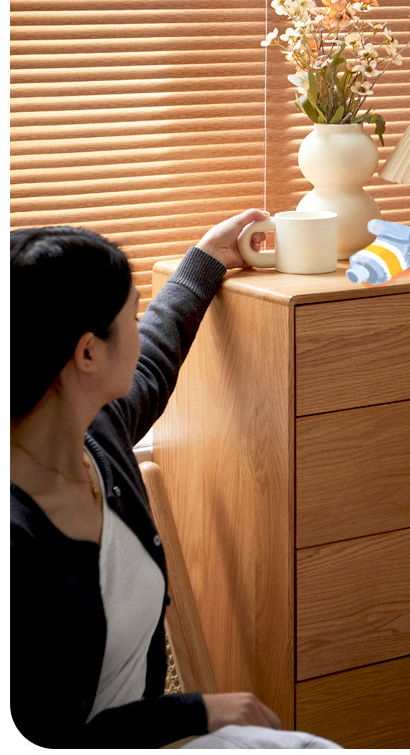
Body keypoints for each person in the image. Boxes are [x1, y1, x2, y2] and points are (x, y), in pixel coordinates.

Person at [10, 212, 340, 749]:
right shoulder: (18, 543)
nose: (140, 334)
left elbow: (158, 354)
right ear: (88, 353)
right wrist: (194, 711)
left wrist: (207, 259)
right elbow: (46, 740)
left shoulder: (96, 432)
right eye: (130, 320)